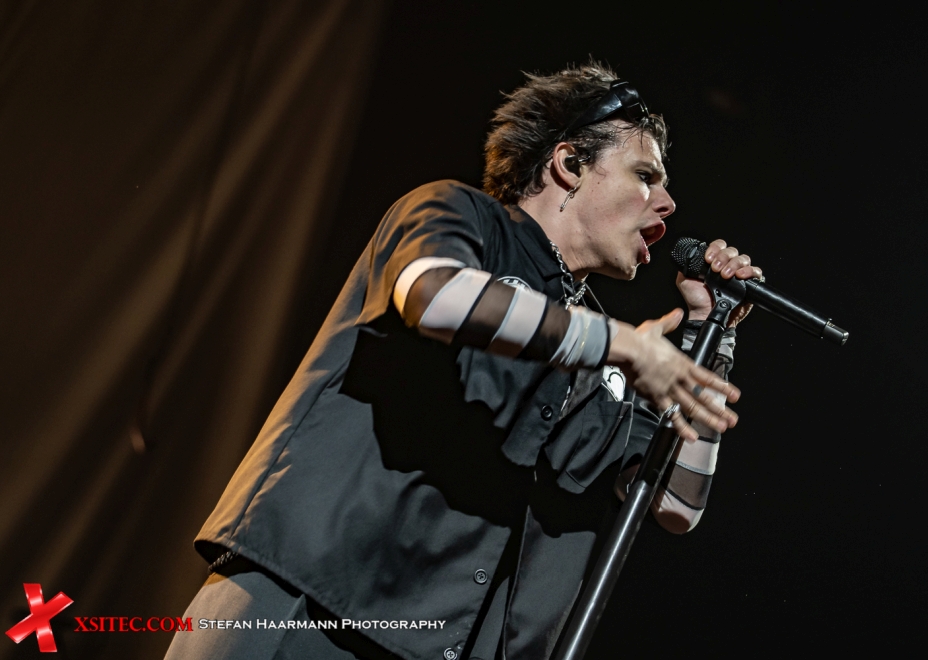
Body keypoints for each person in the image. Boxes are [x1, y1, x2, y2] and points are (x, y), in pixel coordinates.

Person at [165, 61, 763, 660]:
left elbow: (676, 504)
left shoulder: (605, 352)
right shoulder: (460, 215)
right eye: (644, 175)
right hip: (308, 610)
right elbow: (435, 295)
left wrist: (713, 334)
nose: (668, 203)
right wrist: (615, 341)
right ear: (570, 164)